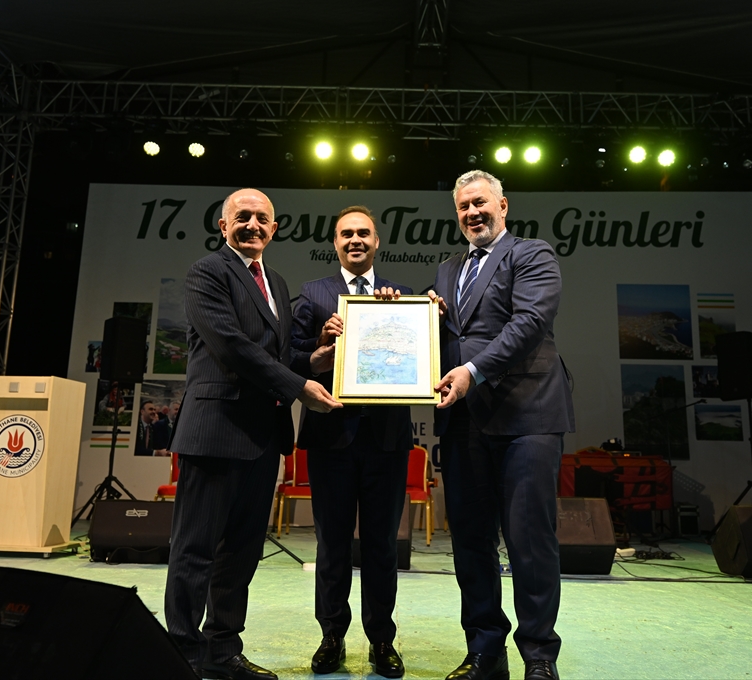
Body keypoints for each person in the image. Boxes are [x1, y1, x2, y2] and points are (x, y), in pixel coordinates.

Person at [164, 188, 342, 680]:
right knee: (195, 550)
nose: (253, 225)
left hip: (263, 437)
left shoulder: (277, 283)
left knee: (241, 554)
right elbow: (232, 346)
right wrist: (299, 386)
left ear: (274, 228)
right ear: (223, 226)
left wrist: (314, 362)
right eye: (242, 217)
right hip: (215, 432)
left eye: (262, 218)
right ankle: (183, 655)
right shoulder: (207, 272)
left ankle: (222, 652)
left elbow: (276, 356)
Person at [422, 170, 575, 680]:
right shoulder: (447, 270)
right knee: (470, 543)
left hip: (527, 415)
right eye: (463, 206)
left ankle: (539, 656)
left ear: (503, 205)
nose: (473, 212)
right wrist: (405, 315)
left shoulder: (532, 254)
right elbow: (440, 332)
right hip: (464, 421)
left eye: (480, 202)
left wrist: (471, 370)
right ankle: (485, 652)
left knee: (529, 541)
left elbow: (528, 324)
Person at [291, 206, 411, 678]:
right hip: (331, 437)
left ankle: (382, 640)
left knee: (382, 545)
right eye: (347, 234)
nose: (355, 240)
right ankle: (331, 636)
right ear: (335, 243)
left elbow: (420, 353)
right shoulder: (313, 294)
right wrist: (321, 345)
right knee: (332, 544)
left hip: (387, 439)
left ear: (377, 241)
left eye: (364, 233)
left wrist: (416, 315)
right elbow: (294, 359)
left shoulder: (400, 299)